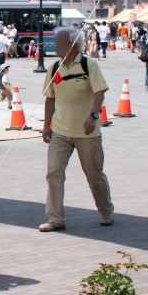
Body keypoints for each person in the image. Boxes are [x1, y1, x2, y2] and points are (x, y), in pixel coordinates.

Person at [40, 27, 114, 231]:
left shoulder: (89, 66)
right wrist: (47, 126)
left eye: (59, 42)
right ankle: (55, 218)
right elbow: (50, 98)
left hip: (86, 133)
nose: (56, 46)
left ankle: (106, 210)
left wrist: (93, 115)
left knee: (94, 174)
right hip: (61, 132)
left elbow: (100, 92)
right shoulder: (55, 68)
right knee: (54, 173)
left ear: (73, 46)